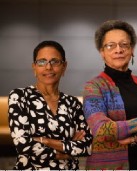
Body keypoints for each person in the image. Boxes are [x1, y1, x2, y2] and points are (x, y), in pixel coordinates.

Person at [83, 20, 137, 170]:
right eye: (111, 45)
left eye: (124, 44)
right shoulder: (94, 86)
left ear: (132, 49)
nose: (118, 50)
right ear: (102, 52)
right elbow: (101, 129)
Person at [8, 40, 93, 170]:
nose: (48, 67)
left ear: (64, 66)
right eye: (42, 62)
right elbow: (22, 145)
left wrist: (45, 141)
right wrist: (67, 150)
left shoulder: (73, 103)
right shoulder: (20, 97)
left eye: (55, 61)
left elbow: (86, 146)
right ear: (34, 67)